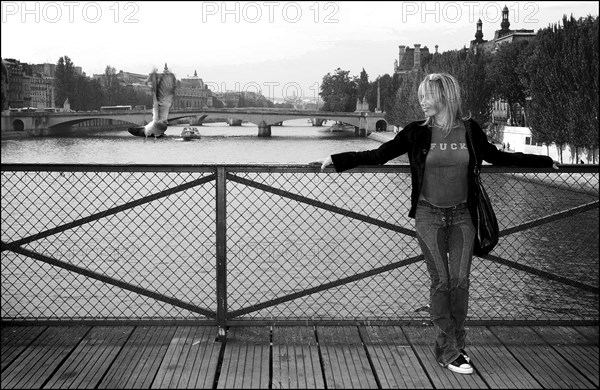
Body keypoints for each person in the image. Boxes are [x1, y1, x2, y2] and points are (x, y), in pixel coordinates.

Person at [312, 73, 558, 375]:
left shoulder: (469, 130)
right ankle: (448, 350)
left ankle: (456, 345)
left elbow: (496, 156)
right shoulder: (415, 132)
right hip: (429, 216)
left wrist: (543, 161)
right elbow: (378, 155)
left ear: (444, 96)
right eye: (421, 96)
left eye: (427, 95)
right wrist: (336, 158)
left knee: (460, 282)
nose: (421, 101)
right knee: (441, 282)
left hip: (464, 216)